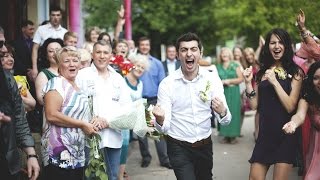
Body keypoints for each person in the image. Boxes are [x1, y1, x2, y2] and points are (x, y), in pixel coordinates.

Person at [152, 32, 231, 180]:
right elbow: (163, 128)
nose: (189, 54)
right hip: (178, 146)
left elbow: (226, 120)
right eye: (184, 50)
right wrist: (160, 119)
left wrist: (222, 111)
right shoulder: (167, 84)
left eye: (193, 49)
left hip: (205, 144)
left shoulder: (212, 78)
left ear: (200, 53)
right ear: (177, 55)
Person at [242, 28, 304, 180]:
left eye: (280, 42)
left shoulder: (296, 73)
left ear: (287, 46)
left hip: (286, 134)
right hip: (265, 134)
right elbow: (255, 105)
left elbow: (290, 106)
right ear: (267, 47)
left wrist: (275, 82)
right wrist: (248, 83)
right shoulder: (263, 72)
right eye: (273, 43)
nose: (276, 46)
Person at [76, 40, 132, 180]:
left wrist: (107, 121)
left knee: (112, 177)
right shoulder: (82, 75)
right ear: (92, 54)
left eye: (105, 52)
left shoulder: (118, 78)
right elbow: (75, 104)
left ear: (111, 55)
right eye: (98, 52)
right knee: (90, 177)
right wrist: (88, 122)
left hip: (113, 137)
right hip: (89, 137)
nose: (102, 56)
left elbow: (127, 108)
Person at [41, 46, 98, 179]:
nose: (72, 64)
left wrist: (93, 120)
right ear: (59, 65)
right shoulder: (56, 84)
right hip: (58, 152)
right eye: (67, 61)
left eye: (75, 60)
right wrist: (82, 125)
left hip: (77, 152)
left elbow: (81, 114)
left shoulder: (79, 86)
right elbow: (51, 114)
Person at [0, 26, 40, 180]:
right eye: (0, 44)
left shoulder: (8, 78)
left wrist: (31, 154)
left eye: (3, 43)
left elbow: (19, 117)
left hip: (9, 164)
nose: (4, 50)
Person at [137, 36, 171, 169]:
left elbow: (163, 84)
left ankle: (164, 159)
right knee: (141, 133)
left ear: (149, 46)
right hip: (138, 101)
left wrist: (160, 103)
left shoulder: (157, 63)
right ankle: (146, 157)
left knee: (157, 132)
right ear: (139, 46)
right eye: (142, 44)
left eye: (146, 44)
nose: (144, 46)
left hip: (153, 100)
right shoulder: (133, 62)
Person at [283, 61, 320, 180]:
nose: (319, 82)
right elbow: (299, 115)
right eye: (316, 78)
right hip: (316, 153)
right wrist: (293, 123)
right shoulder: (308, 99)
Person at [119, 53, 149, 180]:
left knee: (127, 146)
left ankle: (121, 171)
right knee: (123, 144)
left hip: (131, 120)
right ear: (132, 65)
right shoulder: (122, 80)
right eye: (138, 65)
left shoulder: (140, 83)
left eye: (142, 67)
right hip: (120, 120)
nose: (140, 69)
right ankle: (119, 175)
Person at [30, 6, 68, 81]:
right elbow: (35, 49)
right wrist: (34, 68)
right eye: (53, 15)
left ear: (61, 16)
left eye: (58, 15)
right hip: (43, 63)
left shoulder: (65, 32)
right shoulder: (41, 29)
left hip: (60, 64)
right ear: (49, 16)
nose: (55, 17)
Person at [216, 47, 243, 144]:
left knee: (234, 112)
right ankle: (225, 135)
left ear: (230, 54)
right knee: (223, 111)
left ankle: (233, 136)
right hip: (223, 92)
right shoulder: (218, 66)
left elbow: (241, 79)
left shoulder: (235, 65)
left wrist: (229, 81)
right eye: (223, 53)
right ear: (220, 55)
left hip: (234, 92)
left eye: (226, 53)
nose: (224, 55)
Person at [35, 38, 64, 106]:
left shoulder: (70, 70)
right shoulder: (43, 74)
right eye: (51, 51)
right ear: (47, 56)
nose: (55, 53)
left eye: (58, 50)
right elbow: (41, 99)